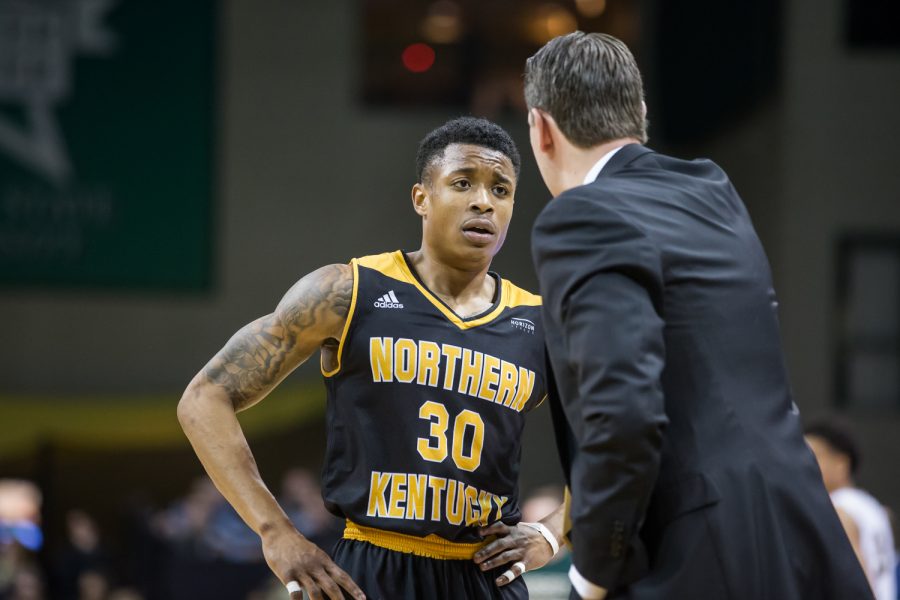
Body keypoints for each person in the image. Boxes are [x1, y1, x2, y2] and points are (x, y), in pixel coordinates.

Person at [525, 32, 874, 599]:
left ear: (540, 129)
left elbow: (624, 413)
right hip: (801, 533)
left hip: (694, 557)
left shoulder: (579, 216)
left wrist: (592, 571)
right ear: (639, 112)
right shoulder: (712, 189)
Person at [178, 117, 564, 600]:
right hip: (370, 568)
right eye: (463, 183)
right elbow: (204, 398)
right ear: (421, 198)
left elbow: (629, 436)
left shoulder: (543, 324)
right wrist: (275, 531)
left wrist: (554, 530)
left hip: (483, 573)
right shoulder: (347, 290)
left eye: (501, 189)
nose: (483, 201)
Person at [806, 419, 897, 600]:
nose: (805, 464)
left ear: (841, 463)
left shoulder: (839, 509)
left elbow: (855, 579)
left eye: (813, 456)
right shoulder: (871, 505)